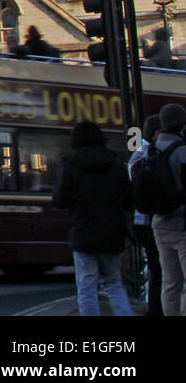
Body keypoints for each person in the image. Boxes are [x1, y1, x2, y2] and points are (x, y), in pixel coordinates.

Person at [52, 120, 134, 315]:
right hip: (112, 233)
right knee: (114, 284)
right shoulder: (116, 164)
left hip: (83, 232)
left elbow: (60, 200)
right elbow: (130, 200)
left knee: (87, 289)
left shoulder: (70, 166)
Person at [153, 103, 186, 315]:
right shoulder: (182, 151)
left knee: (170, 282)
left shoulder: (149, 149)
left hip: (158, 223)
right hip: (182, 224)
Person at [130, 114, 164, 315]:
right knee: (158, 268)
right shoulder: (151, 153)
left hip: (140, 217)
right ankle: (156, 307)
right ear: (157, 133)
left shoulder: (137, 153)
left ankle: (153, 306)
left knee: (154, 267)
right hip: (151, 218)